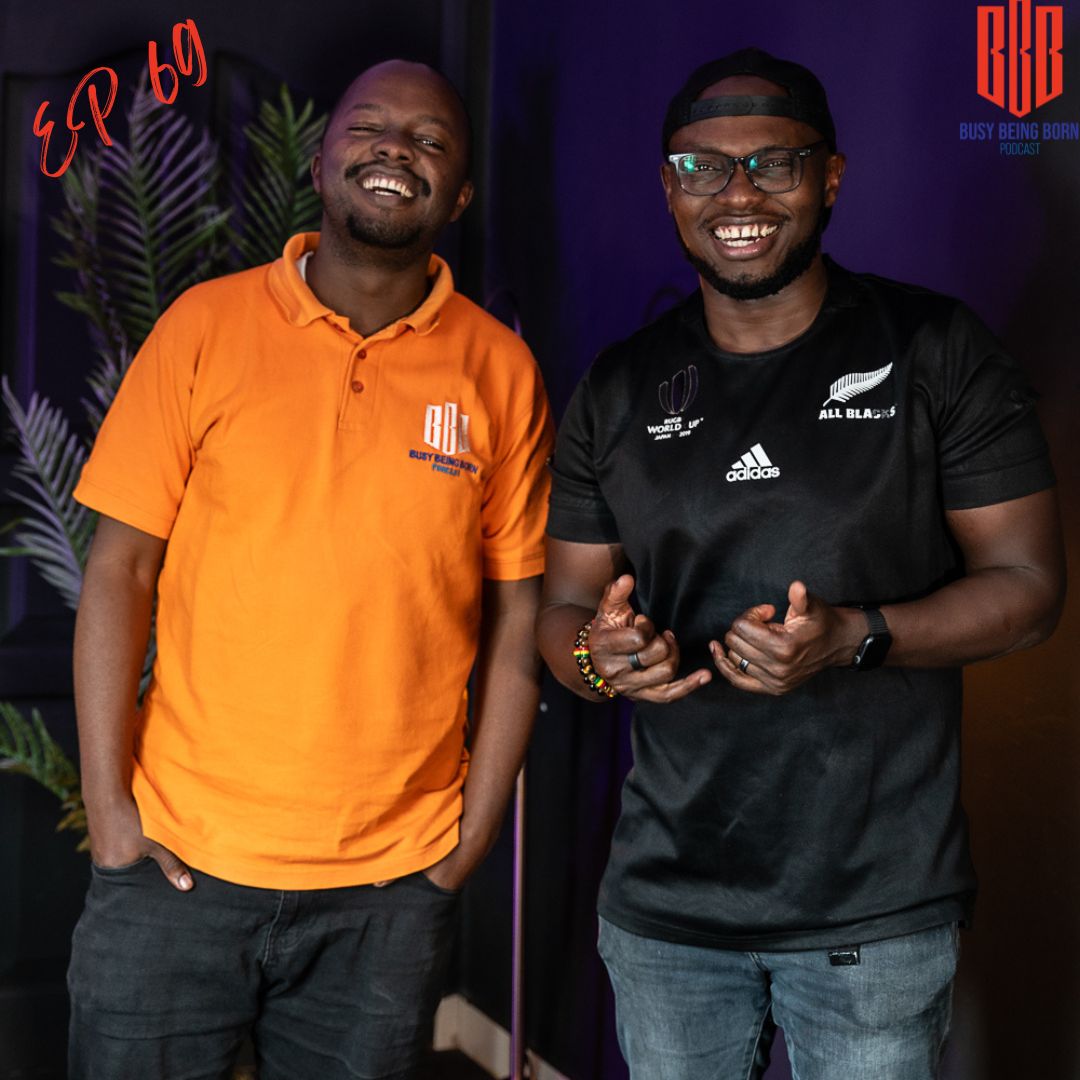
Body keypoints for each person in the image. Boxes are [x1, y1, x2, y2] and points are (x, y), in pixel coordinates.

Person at [537, 47, 1064, 1080]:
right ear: (669, 189)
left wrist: (856, 636)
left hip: (874, 909)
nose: (738, 195)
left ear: (830, 177)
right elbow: (563, 614)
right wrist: (604, 657)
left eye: (774, 163)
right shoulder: (620, 387)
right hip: (667, 911)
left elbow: (1030, 590)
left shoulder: (934, 349)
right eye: (702, 168)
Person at [67, 59, 553, 1080]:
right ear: (324, 161)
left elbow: (520, 617)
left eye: (430, 140)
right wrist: (109, 812)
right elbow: (120, 571)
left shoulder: (499, 371)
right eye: (369, 127)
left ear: (461, 193)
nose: (396, 149)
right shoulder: (205, 326)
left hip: (388, 891)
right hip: (178, 861)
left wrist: (465, 845)